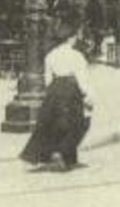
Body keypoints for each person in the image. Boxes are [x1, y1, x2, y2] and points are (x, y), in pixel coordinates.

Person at [20, 22, 94, 171]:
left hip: (54, 90)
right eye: (74, 36)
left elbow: (48, 79)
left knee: (53, 123)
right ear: (70, 39)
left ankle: (63, 157)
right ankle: (63, 154)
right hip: (71, 90)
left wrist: (53, 91)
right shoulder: (77, 56)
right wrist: (88, 96)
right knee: (77, 123)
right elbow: (82, 78)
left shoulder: (51, 55)